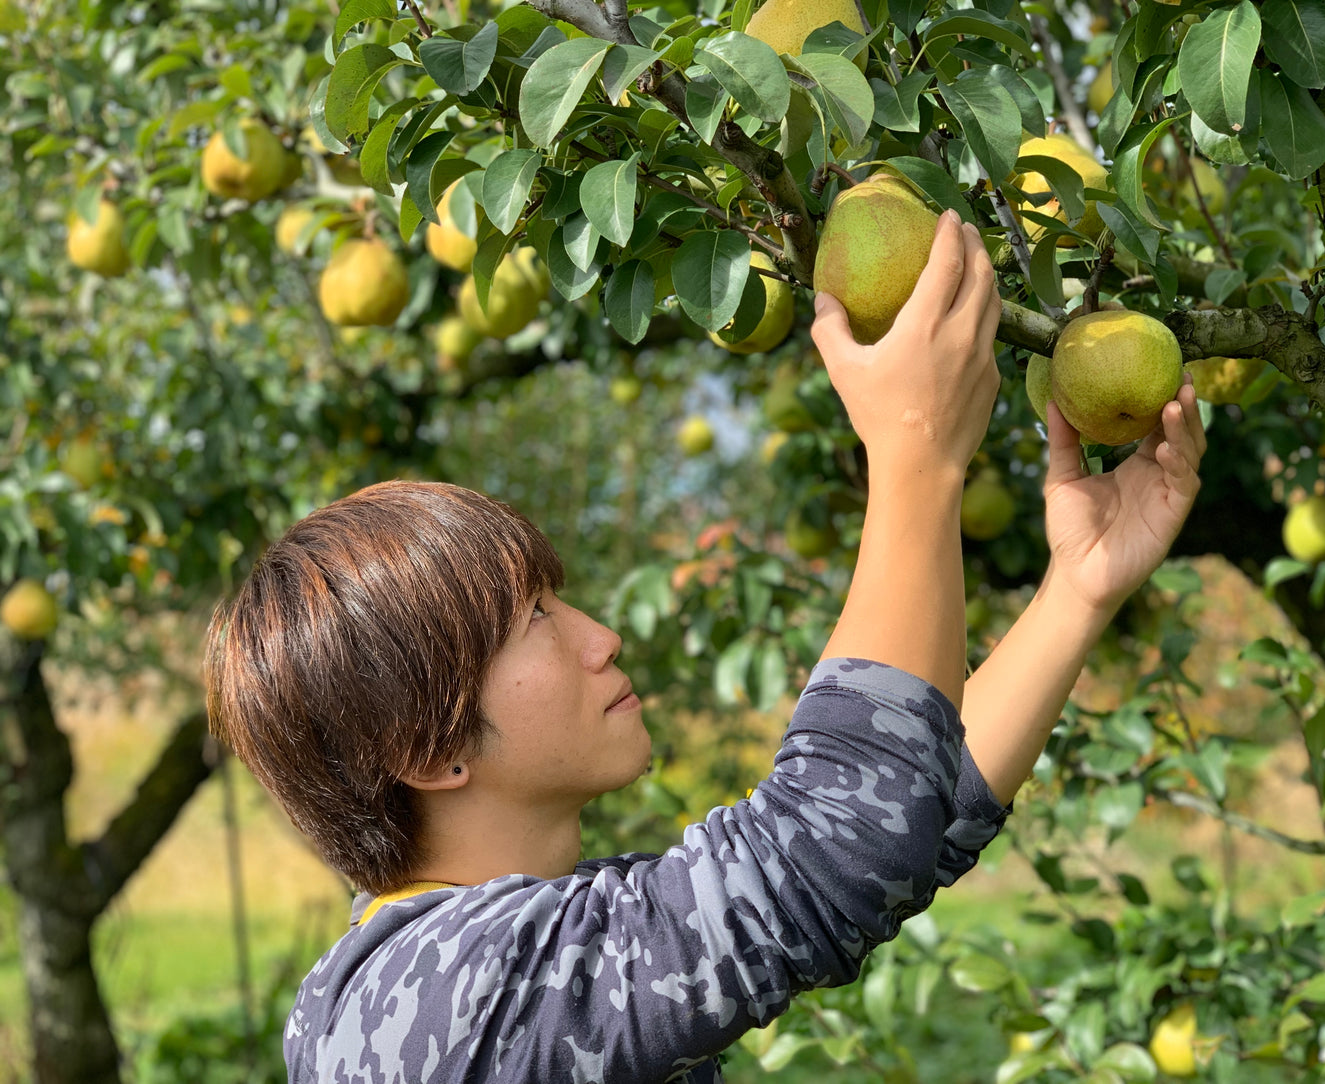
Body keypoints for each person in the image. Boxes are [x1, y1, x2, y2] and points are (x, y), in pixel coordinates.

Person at [204, 210, 1206, 1084]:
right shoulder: (445, 1005)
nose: (602, 636)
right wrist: (912, 447)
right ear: (429, 751)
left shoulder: (451, 971)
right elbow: (834, 846)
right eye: (536, 622)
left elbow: (895, 821)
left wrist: (1074, 588)